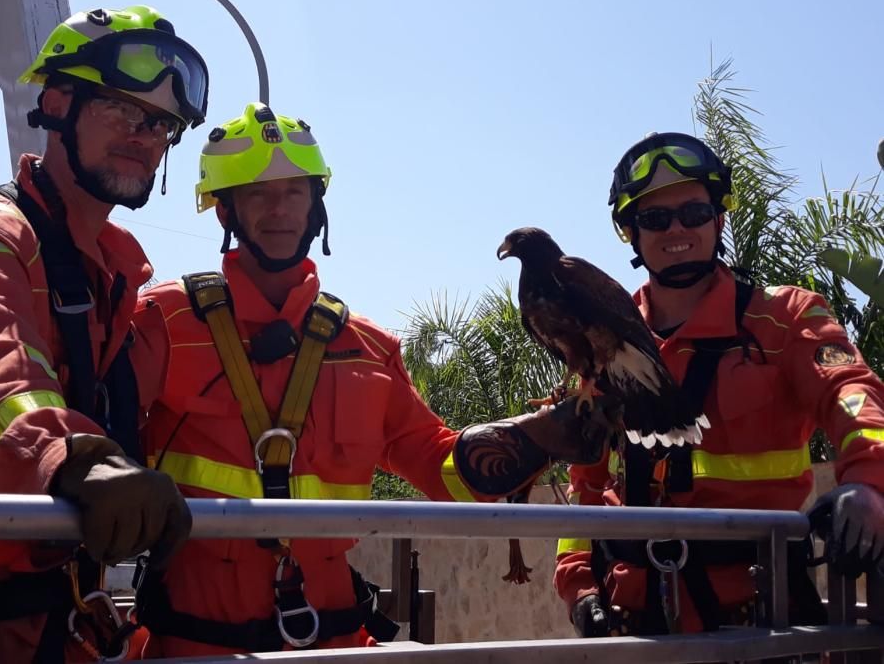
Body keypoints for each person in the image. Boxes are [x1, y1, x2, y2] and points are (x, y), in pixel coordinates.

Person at [132, 101, 621, 657]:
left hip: (335, 642)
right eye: (257, 193)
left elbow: (438, 466)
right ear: (225, 211)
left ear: (317, 205)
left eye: (294, 191)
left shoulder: (366, 347)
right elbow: (104, 455)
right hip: (195, 646)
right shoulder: (164, 321)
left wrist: (537, 436)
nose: (279, 209)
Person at [0, 5, 208, 662]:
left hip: (59, 617)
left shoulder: (115, 277)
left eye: (161, 123)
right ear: (58, 102)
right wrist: (76, 458)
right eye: (121, 109)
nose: (144, 135)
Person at [554, 132, 884, 637]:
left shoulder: (785, 319)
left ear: (720, 218)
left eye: (694, 213)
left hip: (758, 625)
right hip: (633, 629)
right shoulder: (603, 341)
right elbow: (586, 486)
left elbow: (850, 391)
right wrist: (578, 587)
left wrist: (868, 481)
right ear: (631, 234)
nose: (676, 230)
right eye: (655, 219)